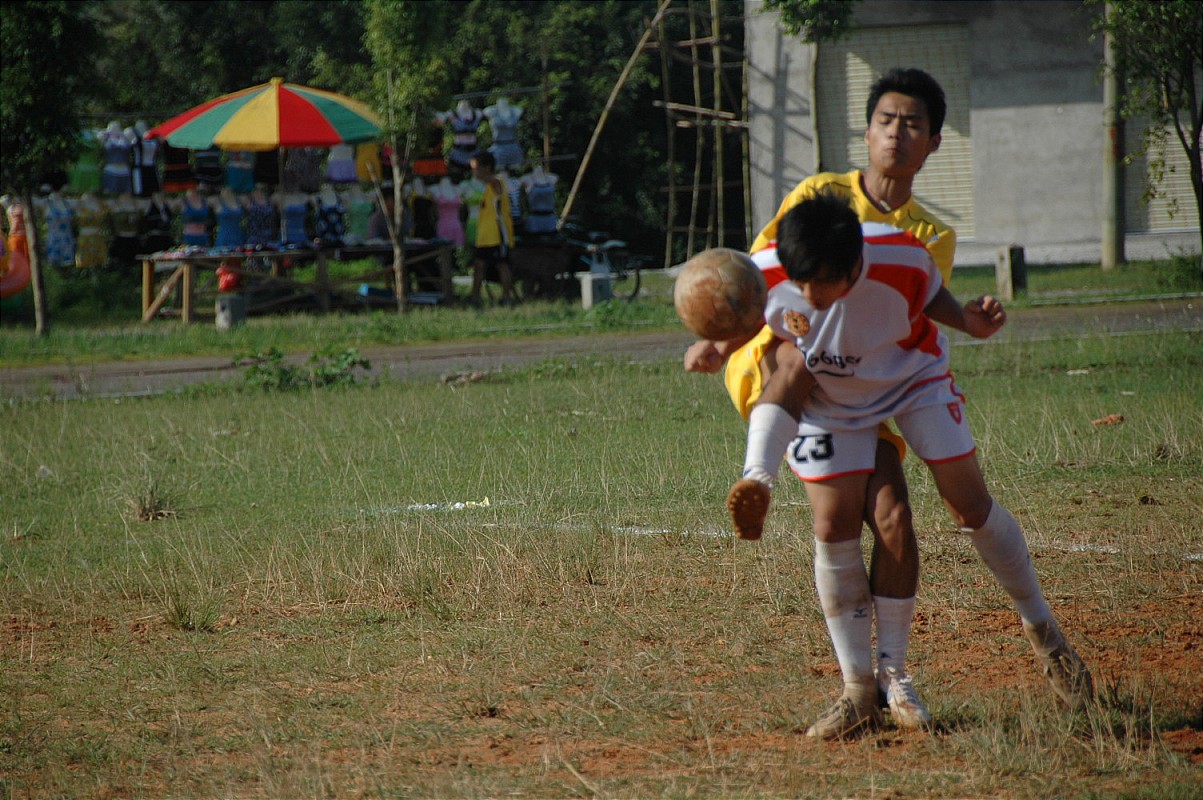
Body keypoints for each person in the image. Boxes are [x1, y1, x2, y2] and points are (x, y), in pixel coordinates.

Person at [743, 193, 1095, 739]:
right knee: (833, 524)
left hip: (911, 380)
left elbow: (931, 296)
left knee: (970, 507)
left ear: (855, 265)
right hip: (831, 399)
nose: (810, 297)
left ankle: (1044, 633)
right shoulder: (765, 270)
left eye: (824, 284)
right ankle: (860, 691)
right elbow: (739, 313)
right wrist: (715, 343)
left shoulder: (901, 256)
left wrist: (969, 321)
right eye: (801, 284)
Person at [685, 67, 953, 728]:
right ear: (866, 130)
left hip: (866, 388)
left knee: (892, 520)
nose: (897, 134)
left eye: (912, 124)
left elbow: (902, 325)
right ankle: (757, 478)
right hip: (791, 373)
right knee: (799, 365)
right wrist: (720, 341)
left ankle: (890, 681)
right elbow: (759, 284)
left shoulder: (928, 238)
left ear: (934, 142)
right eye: (886, 120)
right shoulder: (818, 194)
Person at [467, 150, 516, 306]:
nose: (473, 172)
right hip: (485, 236)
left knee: (502, 265)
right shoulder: (486, 187)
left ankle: (506, 297)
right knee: (479, 265)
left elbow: (494, 181)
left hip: (497, 234)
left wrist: (484, 177)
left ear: (486, 167)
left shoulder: (497, 182)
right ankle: (475, 297)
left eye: (475, 168)